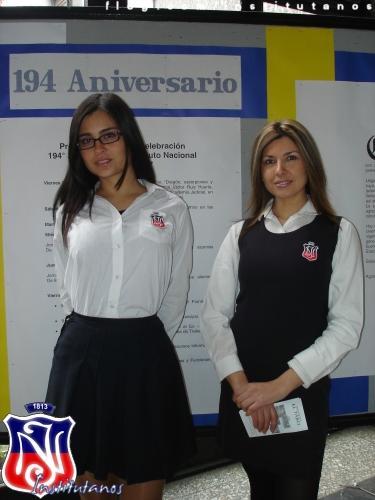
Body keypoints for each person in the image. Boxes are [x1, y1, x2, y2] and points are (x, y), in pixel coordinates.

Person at [200, 119, 364, 500]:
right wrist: (244, 389)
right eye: (268, 161)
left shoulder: (338, 233)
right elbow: (213, 315)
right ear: (259, 171)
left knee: (296, 487)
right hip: (245, 390)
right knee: (260, 486)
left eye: (290, 158)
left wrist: (277, 388)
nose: (280, 170)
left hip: (299, 392)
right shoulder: (241, 234)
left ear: (309, 163)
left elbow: (346, 327)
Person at [46, 92, 195, 500]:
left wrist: (141, 338)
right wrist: (89, 334)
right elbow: (66, 286)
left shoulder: (171, 207)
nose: (99, 148)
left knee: (144, 480)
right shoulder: (70, 209)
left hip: (143, 356)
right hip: (82, 357)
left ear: (128, 136)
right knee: (90, 487)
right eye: (86, 140)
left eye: (108, 135)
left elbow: (176, 291)